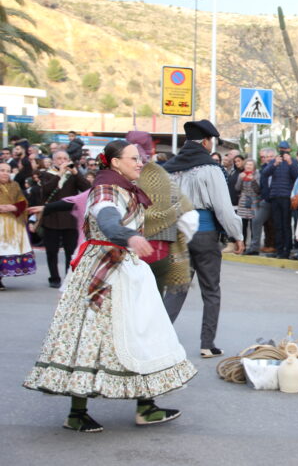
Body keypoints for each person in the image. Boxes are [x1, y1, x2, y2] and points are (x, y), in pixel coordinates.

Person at [23, 140, 196, 433]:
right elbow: (107, 218)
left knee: (143, 332)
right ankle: (78, 413)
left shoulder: (121, 187)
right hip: (105, 269)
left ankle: (146, 406)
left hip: (126, 268)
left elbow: (85, 204)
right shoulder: (106, 189)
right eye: (133, 158)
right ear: (115, 162)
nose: (140, 162)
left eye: (141, 158)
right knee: (92, 337)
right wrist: (127, 236)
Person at [163, 120, 244, 358]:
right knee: (211, 290)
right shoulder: (211, 168)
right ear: (207, 142)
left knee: (176, 290)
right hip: (205, 235)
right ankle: (207, 344)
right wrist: (237, 235)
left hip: (177, 234)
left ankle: (157, 338)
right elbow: (223, 208)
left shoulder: (169, 168)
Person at [127, 131, 197, 304]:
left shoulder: (118, 177)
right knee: (153, 305)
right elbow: (189, 217)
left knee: (129, 304)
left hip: (125, 252)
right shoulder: (163, 177)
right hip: (159, 251)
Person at [38, 150, 91, 288]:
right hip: (51, 218)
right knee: (51, 251)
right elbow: (46, 190)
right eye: (59, 158)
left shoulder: (73, 175)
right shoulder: (46, 174)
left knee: (70, 250)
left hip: (69, 218)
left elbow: (88, 189)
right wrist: (60, 174)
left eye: (65, 158)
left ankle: (69, 276)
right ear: (54, 161)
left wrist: (75, 173)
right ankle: (54, 277)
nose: (62, 161)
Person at [260, 141, 298, 259]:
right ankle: (279, 249)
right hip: (275, 196)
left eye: (285, 149)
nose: (283, 151)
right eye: (281, 149)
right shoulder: (274, 161)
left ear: (289, 150)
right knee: (277, 225)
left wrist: (290, 163)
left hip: (287, 197)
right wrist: (274, 164)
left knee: (286, 225)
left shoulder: (293, 162)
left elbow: (297, 175)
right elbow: (265, 173)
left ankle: (287, 249)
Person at [0, 163, 36, 290]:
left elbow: (23, 201)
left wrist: (14, 207)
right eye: (2, 170)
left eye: (7, 171)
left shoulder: (14, 185)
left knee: (6, 250)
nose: (5, 173)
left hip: (11, 223)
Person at [247, 148, 276, 255]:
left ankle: (276, 248)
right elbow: (260, 188)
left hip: (277, 200)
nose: (267, 159)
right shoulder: (263, 170)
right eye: (264, 157)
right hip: (265, 201)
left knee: (275, 226)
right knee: (256, 221)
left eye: (270, 157)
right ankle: (254, 248)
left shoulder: (278, 168)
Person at [235, 159, 259, 250]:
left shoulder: (257, 174)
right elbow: (237, 188)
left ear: (254, 166)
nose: (248, 166)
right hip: (243, 201)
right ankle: (242, 246)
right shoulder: (241, 174)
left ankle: (253, 247)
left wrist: (253, 180)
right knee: (242, 225)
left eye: (250, 165)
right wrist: (240, 179)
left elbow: (258, 190)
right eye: (247, 165)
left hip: (254, 202)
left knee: (254, 225)